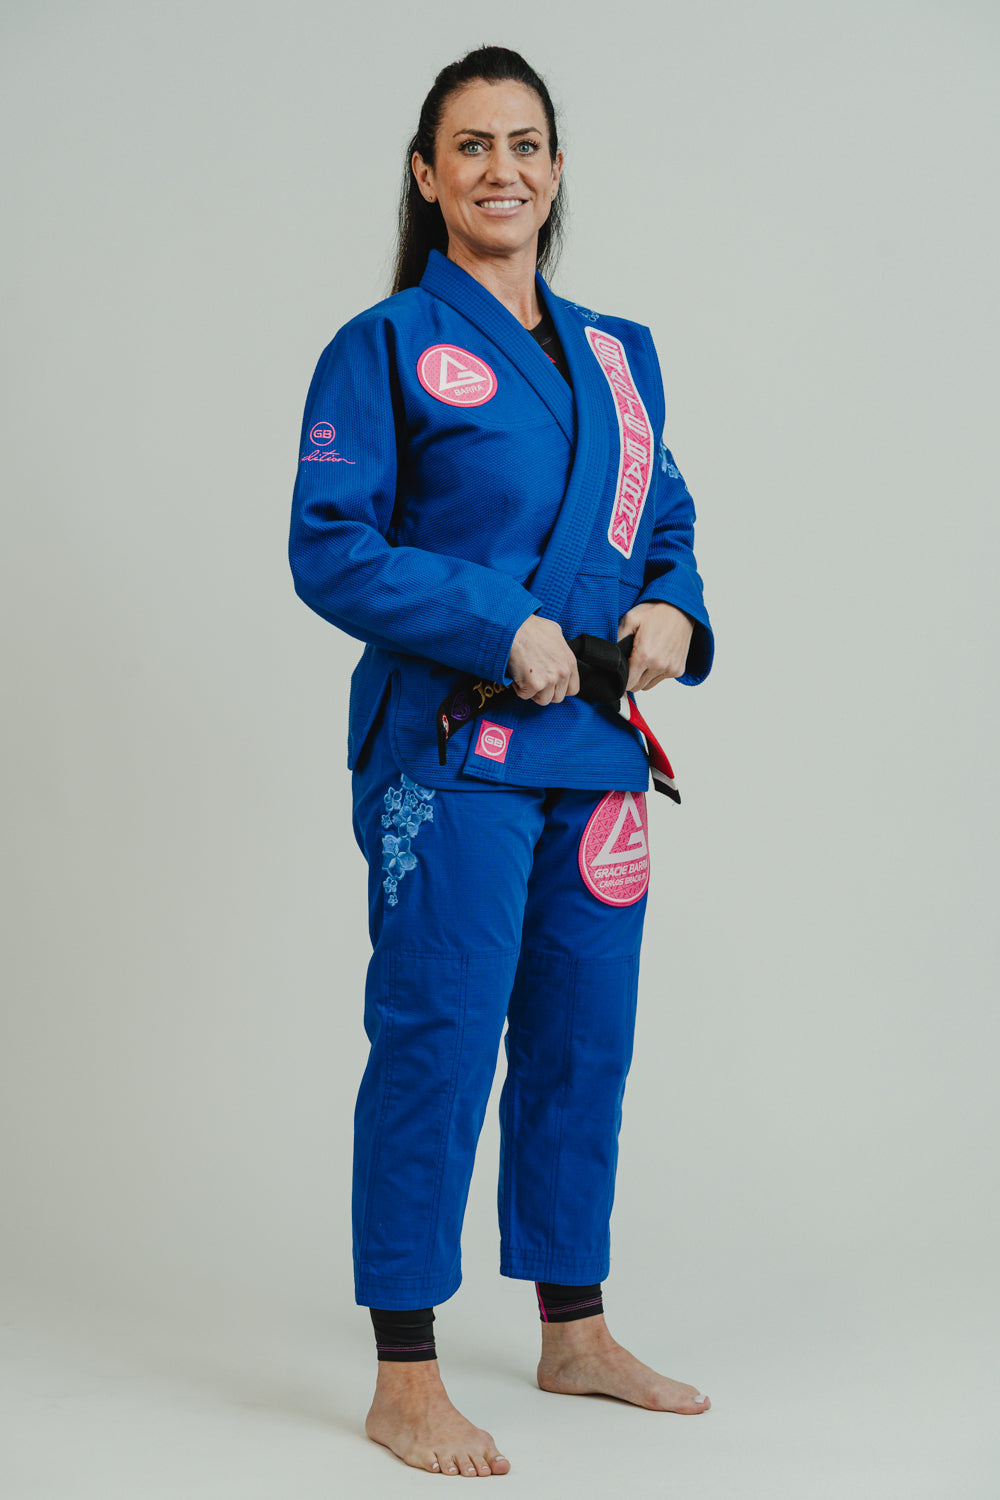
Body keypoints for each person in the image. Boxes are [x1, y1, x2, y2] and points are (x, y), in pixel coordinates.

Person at [289, 45, 715, 1478]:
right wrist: (499, 622)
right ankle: (405, 1372)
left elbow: (668, 527)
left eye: (525, 143)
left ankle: (573, 1329)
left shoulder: (621, 355)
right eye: (470, 145)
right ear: (427, 174)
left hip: (593, 754)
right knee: (441, 1033)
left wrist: (676, 610)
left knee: (586, 1041)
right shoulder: (382, 346)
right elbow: (331, 548)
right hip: (453, 751)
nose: (502, 169)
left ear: (557, 168)